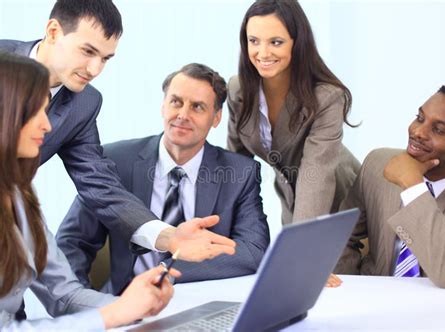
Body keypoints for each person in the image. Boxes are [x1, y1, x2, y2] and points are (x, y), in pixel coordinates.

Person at [0, 0, 236, 263]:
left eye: (105, 58)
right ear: (54, 32)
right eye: (87, 51)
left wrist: (168, 237)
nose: (95, 70)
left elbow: (99, 183)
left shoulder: (84, 102)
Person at [0, 52, 180, 330]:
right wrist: (112, 315)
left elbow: (65, 295)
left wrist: (132, 306)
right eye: (36, 110)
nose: (48, 125)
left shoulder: (20, 196)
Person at [56, 63, 270, 294]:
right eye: (176, 102)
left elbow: (254, 251)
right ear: (163, 105)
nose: (183, 115)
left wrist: (167, 270)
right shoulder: (114, 161)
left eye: (197, 107)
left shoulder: (240, 173)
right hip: (125, 303)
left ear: (216, 117)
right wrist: (81, 306)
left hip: (200, 302)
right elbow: (72, 243)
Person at [227, 0, 360, 228]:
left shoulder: (326, 97)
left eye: (276, 42)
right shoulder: (239, 90)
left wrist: (300, 240)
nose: (263, 52)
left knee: (313, 259)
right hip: (291, 198)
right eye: (254, 41)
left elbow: (316, 176)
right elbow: (237, 164)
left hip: (342, 199)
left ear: (296, 43)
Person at [335, 83, 445, 288]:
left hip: (440, 311)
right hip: (371, 298)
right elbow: (341, 236)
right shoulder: (377, 163)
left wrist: (414, 186)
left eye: (438, 129)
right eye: (420, 118)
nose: (418, 132)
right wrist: (348, 286)